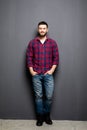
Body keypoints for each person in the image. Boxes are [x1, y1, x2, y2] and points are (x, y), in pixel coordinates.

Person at [26, 21, 59, 126]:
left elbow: (56, 58)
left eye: (44, 28)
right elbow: (29, 58)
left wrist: (52, 70)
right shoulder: (32, 43)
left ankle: (47, 116)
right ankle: (40, 118)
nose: (42, 30)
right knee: (38, 96)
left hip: (48, 74)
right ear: (38, 29)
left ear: (47, 30)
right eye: (40, 28)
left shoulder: (52, 43)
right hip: (36, 74)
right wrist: (31, 71)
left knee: (49, 96)